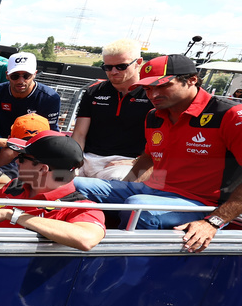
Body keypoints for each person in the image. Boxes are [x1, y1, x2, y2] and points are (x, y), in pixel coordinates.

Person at [71, 55, 242, 249]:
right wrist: (120, 189)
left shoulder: (230, 115)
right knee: (67, 183)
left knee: (138, 206)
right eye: (147, 88)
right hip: (154, 190)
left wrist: (214, 221)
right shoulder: (154, 116)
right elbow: (148, 158)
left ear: (192, 80)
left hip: (202, 204)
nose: (153, 94)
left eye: (162, 86)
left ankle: (125, 271)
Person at [0, 132, 106, 251]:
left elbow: (87, 239)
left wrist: (12, 215)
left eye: (22, 158)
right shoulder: (14, 186)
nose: (16, 162)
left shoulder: (80, 207)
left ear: (42, 169)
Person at [71, 39, 153, 180]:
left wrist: (136, 161)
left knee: (115, 180)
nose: (113, 72)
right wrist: (74, 161)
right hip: (86, 158)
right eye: (107, 67)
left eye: (121, 66)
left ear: (138, 62)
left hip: (125, 162)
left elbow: (161, 140)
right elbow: (79, 134)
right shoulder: (94, 92)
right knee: (51, 177)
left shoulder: (152, 95)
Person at [0, 52, 60, 160]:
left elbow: (50, 137)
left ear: (34, 74)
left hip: (33, 144)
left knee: (8, 152)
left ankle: (3, 175)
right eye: (15, 76)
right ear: (7, 75)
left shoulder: (49, 97)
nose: (21, 81)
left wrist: (5, 142)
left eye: (26, 76)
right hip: (3, 138)